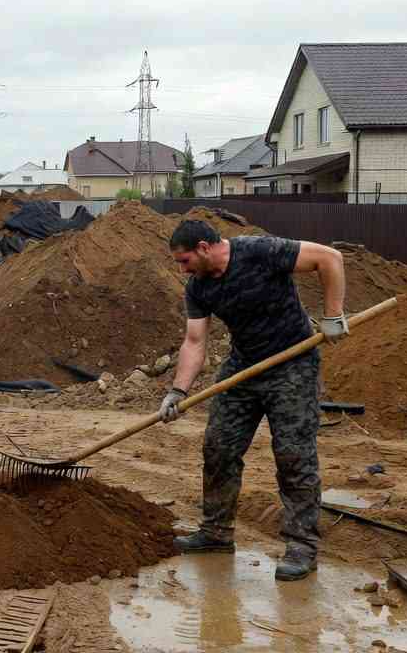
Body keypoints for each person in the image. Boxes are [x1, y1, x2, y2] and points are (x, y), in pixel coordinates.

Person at [160, 219, 347, 582]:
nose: (182, 270)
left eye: (184, 260)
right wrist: (178, 391)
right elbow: (195, 342)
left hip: (293, 364)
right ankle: (216, 533)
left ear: (203, 248)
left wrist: (333, 315)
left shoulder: (259, 251)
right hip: (244, 367)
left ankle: (302, 547)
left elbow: (330, 258)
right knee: (219, 447)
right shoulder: (198, 287)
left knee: (294, 456)